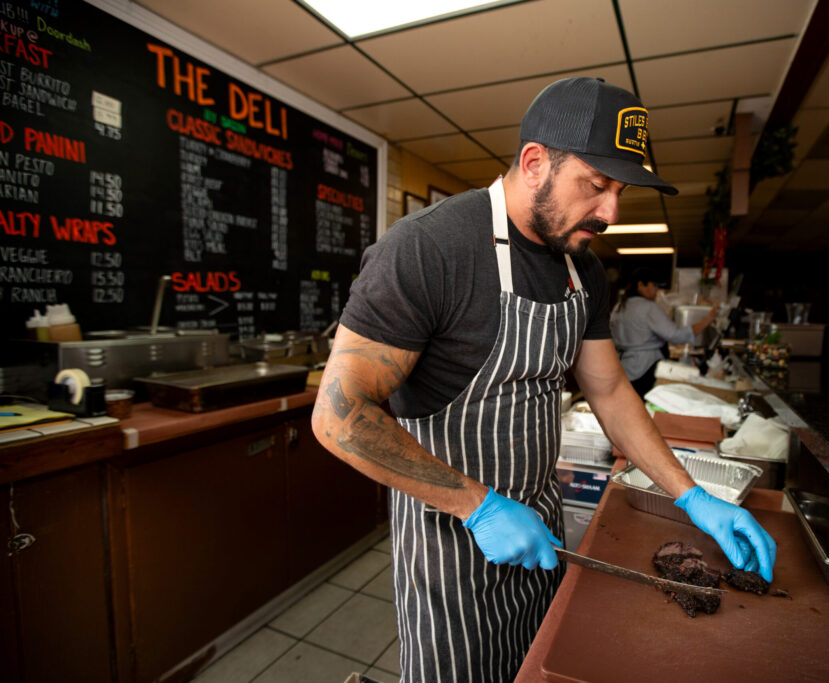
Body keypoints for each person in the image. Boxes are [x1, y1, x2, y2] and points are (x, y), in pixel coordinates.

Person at [312, 77, 776, 683]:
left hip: (542, 526)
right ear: (535, 163)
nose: (612, 211)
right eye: (597, 185)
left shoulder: (582, 270)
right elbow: (338, 415)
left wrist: (690, 496)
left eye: (620, 190)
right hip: (451, 541)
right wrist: (477, 508)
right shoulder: (429, 249)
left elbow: (609, 391)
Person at [611, 267, 719, 397]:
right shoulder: (649, 307)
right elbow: (676, 335)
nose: (657, 290)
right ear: (640, 285)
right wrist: (707, 320)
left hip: (624, 366)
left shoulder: (619, 306)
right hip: (645, 367)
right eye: (654, 285)